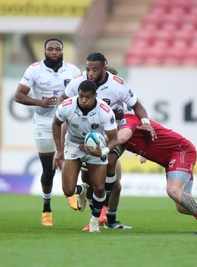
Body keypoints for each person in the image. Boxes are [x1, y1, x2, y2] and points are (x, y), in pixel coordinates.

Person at [59, 52, 156, 231]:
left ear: (104, 69)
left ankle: (101, 214)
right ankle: (101, 213)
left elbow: (137, 107)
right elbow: (63, 102)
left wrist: (146, 123)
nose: (90, 74)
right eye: (88, 69)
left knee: (110, 165)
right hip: (84, 137)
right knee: (88, 180)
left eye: (94, 70)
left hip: (112, 135)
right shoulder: (79, 82)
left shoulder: (118, 87)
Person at [115, 110, 197, 234]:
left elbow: (122, 137)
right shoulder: (122, 128)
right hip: (175, 157)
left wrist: (102, 146)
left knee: (174, 191)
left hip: (181, 152)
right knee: (183, 206)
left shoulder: (126, 121)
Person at [14, 38, 81, 226]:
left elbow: (84, 93)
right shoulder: (34, 69)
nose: (54, 52)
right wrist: (39, 102)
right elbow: (18, 95)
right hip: (44, 122)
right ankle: (46, 209)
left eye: (57, 49)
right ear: (44, 51)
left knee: (70, 161)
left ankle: (70, 192)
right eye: (50, 49)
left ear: (62, 51)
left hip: (67, 123)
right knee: (48, 169)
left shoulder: (73, 71)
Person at [52, 80, 118, 233]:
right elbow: (56, 123)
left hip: (95, 148)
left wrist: (101, 152)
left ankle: (94, 220)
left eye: (88, 97)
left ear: (95, 95)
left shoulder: (105, 111)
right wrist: (59, 149)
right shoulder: (67, 106)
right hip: (74, 145)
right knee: (68, 191)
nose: (83, 100)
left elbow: (114, 139)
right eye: (81, 96)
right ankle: (81, 189)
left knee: (100, 188)